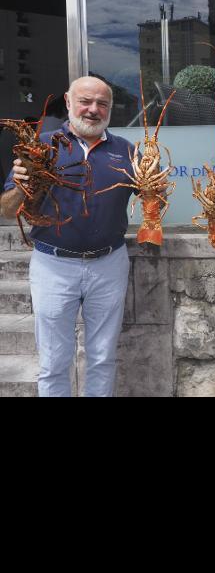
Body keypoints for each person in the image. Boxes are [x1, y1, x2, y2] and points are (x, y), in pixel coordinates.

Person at [1, 76, 135, 397]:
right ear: (68, 101)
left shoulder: (126, 150)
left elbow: (151, 194)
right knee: (53, 361)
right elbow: (7, 210)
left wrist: (156, 189)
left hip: (109, 262)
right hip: (52, 264)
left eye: (102, 104)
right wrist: (21, 187)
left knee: (102, 356)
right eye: (85, 102)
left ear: (110, 109)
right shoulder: (39, 145)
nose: (93, 110)